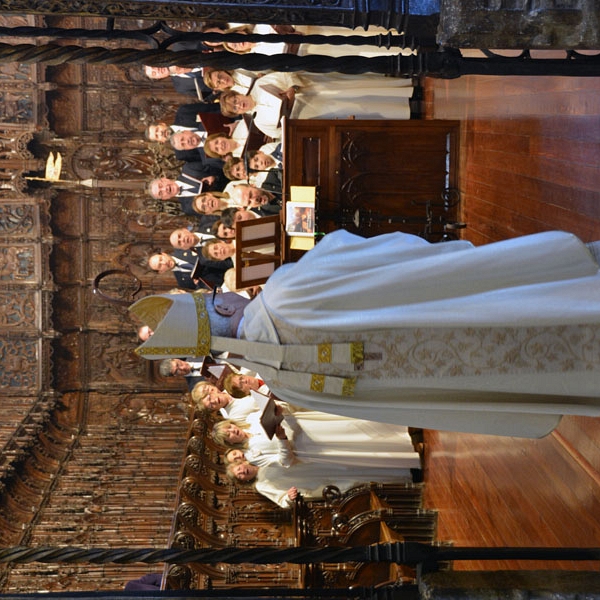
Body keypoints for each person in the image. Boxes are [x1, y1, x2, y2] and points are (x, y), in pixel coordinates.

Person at [132, 230, 600, 438]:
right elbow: (387, 256)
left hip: (500, 378)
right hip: (482, 310)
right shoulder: (285, 293)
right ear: (224, 304)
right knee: (558, 303)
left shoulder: (284, 384)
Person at [228, 458, 413, 508]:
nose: (242, 472)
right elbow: (282, 500)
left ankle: (405, 465)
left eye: (240, 469)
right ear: (244, 480)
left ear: (242, 463)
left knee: (354, 465)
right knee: (357, 480)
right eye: (240, 475)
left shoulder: (258, 458)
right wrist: (289, 497)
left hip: (313, 465)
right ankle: (406, 478)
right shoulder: (261, 485)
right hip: (314, 481)